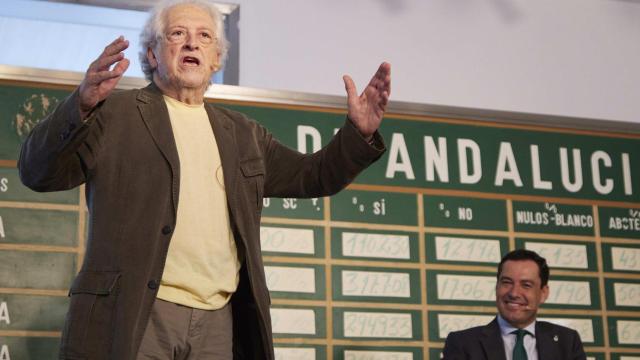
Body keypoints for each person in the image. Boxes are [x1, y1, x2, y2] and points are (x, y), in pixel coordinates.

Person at [17, 0, 390, 359]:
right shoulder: (114, 113)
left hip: (219, 320)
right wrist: (81, 103)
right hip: (135, 313)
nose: (192, 42)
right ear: (152, 55)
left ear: (215, 60)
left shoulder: (244, 134)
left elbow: (315, 176)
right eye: (177, 33)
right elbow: (37, 171)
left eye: (205, 37)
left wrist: (356, 134)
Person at [442, 249, 586, 360]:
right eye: (506, 282)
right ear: (497, 287)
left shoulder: (567, 342)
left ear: (543, 293)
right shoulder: (462, 343)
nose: (514, 293)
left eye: (526, 285)